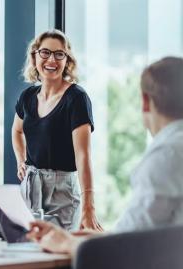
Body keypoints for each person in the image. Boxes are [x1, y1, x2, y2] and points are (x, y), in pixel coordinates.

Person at [26, 56, 183, 255]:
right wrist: (69, 236)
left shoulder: (166, 157)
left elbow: (126, 248)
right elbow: (137, 233)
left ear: (145, 102)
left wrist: (65, 244)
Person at [12, 29, 102, 231]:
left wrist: (89, 207)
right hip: (29, 187)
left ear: (67, 60)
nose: (51, 59)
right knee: (27, 254)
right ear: (35, 56)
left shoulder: (76, 98)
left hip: (62, 191)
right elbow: (17, 131)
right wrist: (20, 159)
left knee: (59, 257)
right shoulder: (27, 96)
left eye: (59, 54)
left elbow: (83, 156)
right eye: (45, 52)